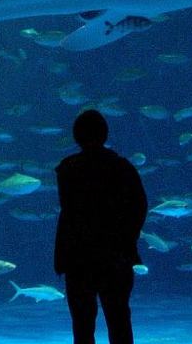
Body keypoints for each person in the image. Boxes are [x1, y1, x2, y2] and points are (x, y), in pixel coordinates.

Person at [55, 109, 148, 344]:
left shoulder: (67, 169)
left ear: (76, 136)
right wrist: (127, 242)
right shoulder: (122, 167)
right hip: (115, 257)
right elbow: (140, 206)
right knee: (119, 322)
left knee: (82, 326)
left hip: (78, 259)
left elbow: (69, 213)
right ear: (105, 134)